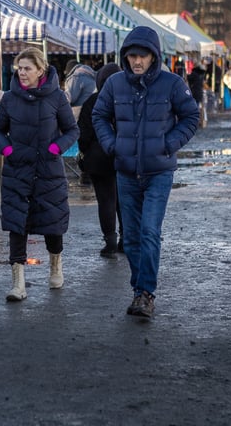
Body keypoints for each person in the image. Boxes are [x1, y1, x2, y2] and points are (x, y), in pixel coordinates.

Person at [91, 26, 199, 318]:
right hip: (125, 171)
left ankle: (146, 293)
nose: (137, 61)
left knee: (150, 231)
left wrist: (169, 143)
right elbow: (99, 115)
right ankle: (140, 292)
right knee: (133, 238)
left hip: (158, 172)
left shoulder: (172, 84)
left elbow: (191, 115)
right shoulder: (114, 84)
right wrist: (112, 145)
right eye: (132, 56)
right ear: (125, 56)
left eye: (143, 56)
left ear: (154, 56)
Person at [0, 48, 79, 301]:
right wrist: (7, 149)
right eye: (19, 68)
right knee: (18, 225)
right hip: (18, 171)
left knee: (53, 224)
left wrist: (55, 148)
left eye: (27, 68)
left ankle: (55, 265)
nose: (22, 72)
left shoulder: (57, 97)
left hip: (49, 170)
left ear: (41, 70)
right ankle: (18, 283)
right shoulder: (9, 98)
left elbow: (72, 130)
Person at [77, 62, 124, 257]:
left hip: (98, 159)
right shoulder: (126, 100)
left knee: (106, 200)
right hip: (124, 158)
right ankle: (126, 240)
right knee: (124, 201)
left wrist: (86, 151)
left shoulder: (92, 101)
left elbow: (83, 134)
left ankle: (110, 241)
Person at [187, 59, 208, 128]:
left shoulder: (194, 74)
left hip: (194, 92)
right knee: (198, 107)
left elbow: (189, 79)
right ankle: (199, 121)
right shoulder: (201, 74)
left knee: (194, 107)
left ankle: (195, 121)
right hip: (199, 92)